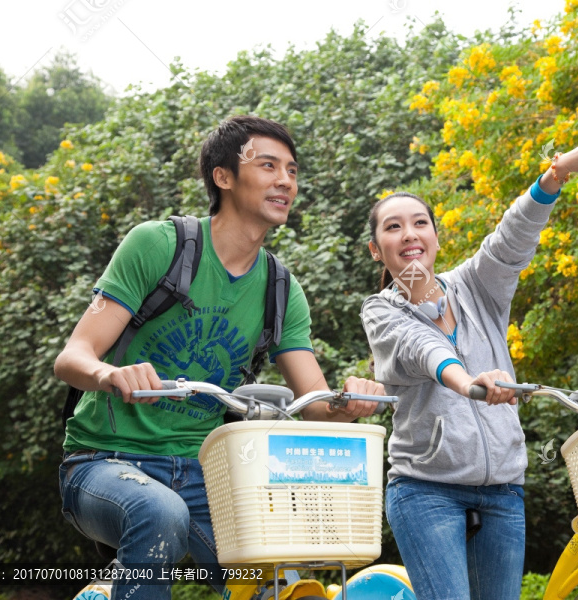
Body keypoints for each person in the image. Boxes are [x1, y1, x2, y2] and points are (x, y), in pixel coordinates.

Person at [55, 115, 383, 600]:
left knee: (275, 579)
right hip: (103, 462)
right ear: (223, 176)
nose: (285, 181)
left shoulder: (281, 289)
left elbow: (314, 403)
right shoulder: (158, 245)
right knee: (159, 512)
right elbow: (72, 357)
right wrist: (110, 374)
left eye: (292, 170)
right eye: (268, 166)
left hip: (207, 472)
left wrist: (347, 400)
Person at [361, 119, 578, 600]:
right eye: (393, 228)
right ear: (378, 250)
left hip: (503, 489)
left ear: (435, 236)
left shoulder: (478, 286)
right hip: (425, 491)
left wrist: (558, 172)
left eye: (420, 223)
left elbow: (512, 238)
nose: (409, 234)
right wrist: (467, 382)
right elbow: (423, 349)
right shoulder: (381, 310)